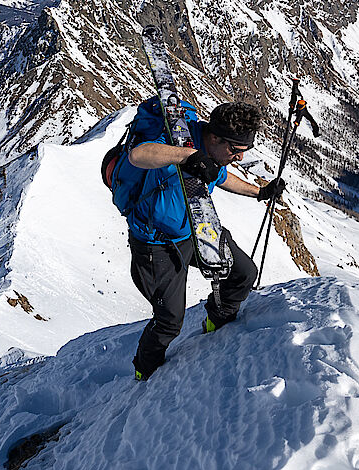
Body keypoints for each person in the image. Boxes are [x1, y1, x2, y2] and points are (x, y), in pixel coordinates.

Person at [114, 101, 286, 380]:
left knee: (244, 273)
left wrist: (260, 192)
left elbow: (221, 177)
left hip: (196, 229)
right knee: (169, 321)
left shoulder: (213, 153)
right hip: (156, 245)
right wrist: (186, 156)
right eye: (235, 150)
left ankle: (215, 325)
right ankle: (144, 371)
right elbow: (139, 155)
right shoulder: (176, 140)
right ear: (215, 137)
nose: (239, 158)